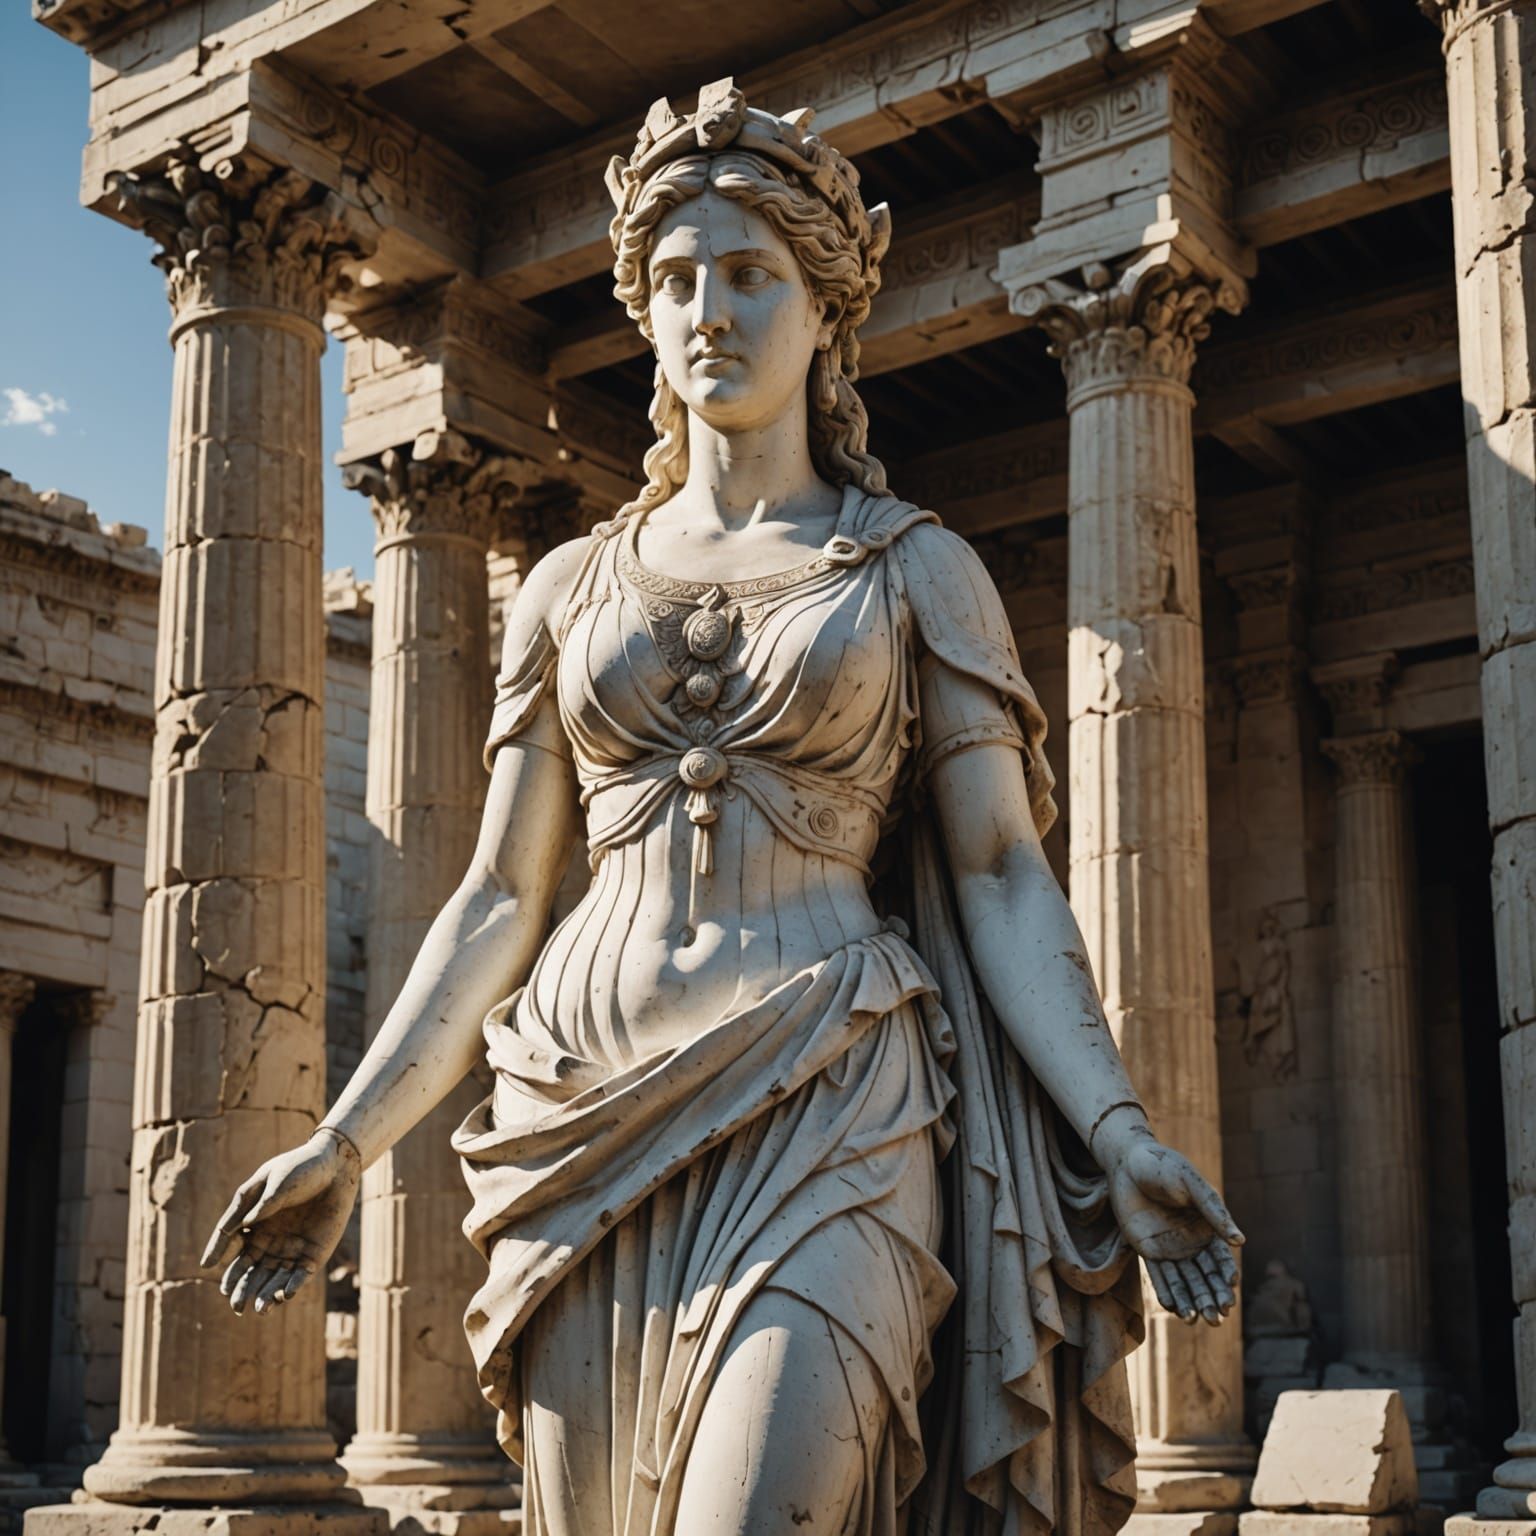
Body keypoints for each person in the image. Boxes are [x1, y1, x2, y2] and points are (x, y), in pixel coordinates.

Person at [200, 78, 1243, 1536]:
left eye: (751, 275)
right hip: (578, 1107)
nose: (711, 312)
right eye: (679, 279)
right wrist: (345, 1143)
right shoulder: (569, 587)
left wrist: (1119, 1131)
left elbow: (1003, 873)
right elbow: (498, 894)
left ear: (826, 312)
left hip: (832, 1097)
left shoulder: (915, 568)